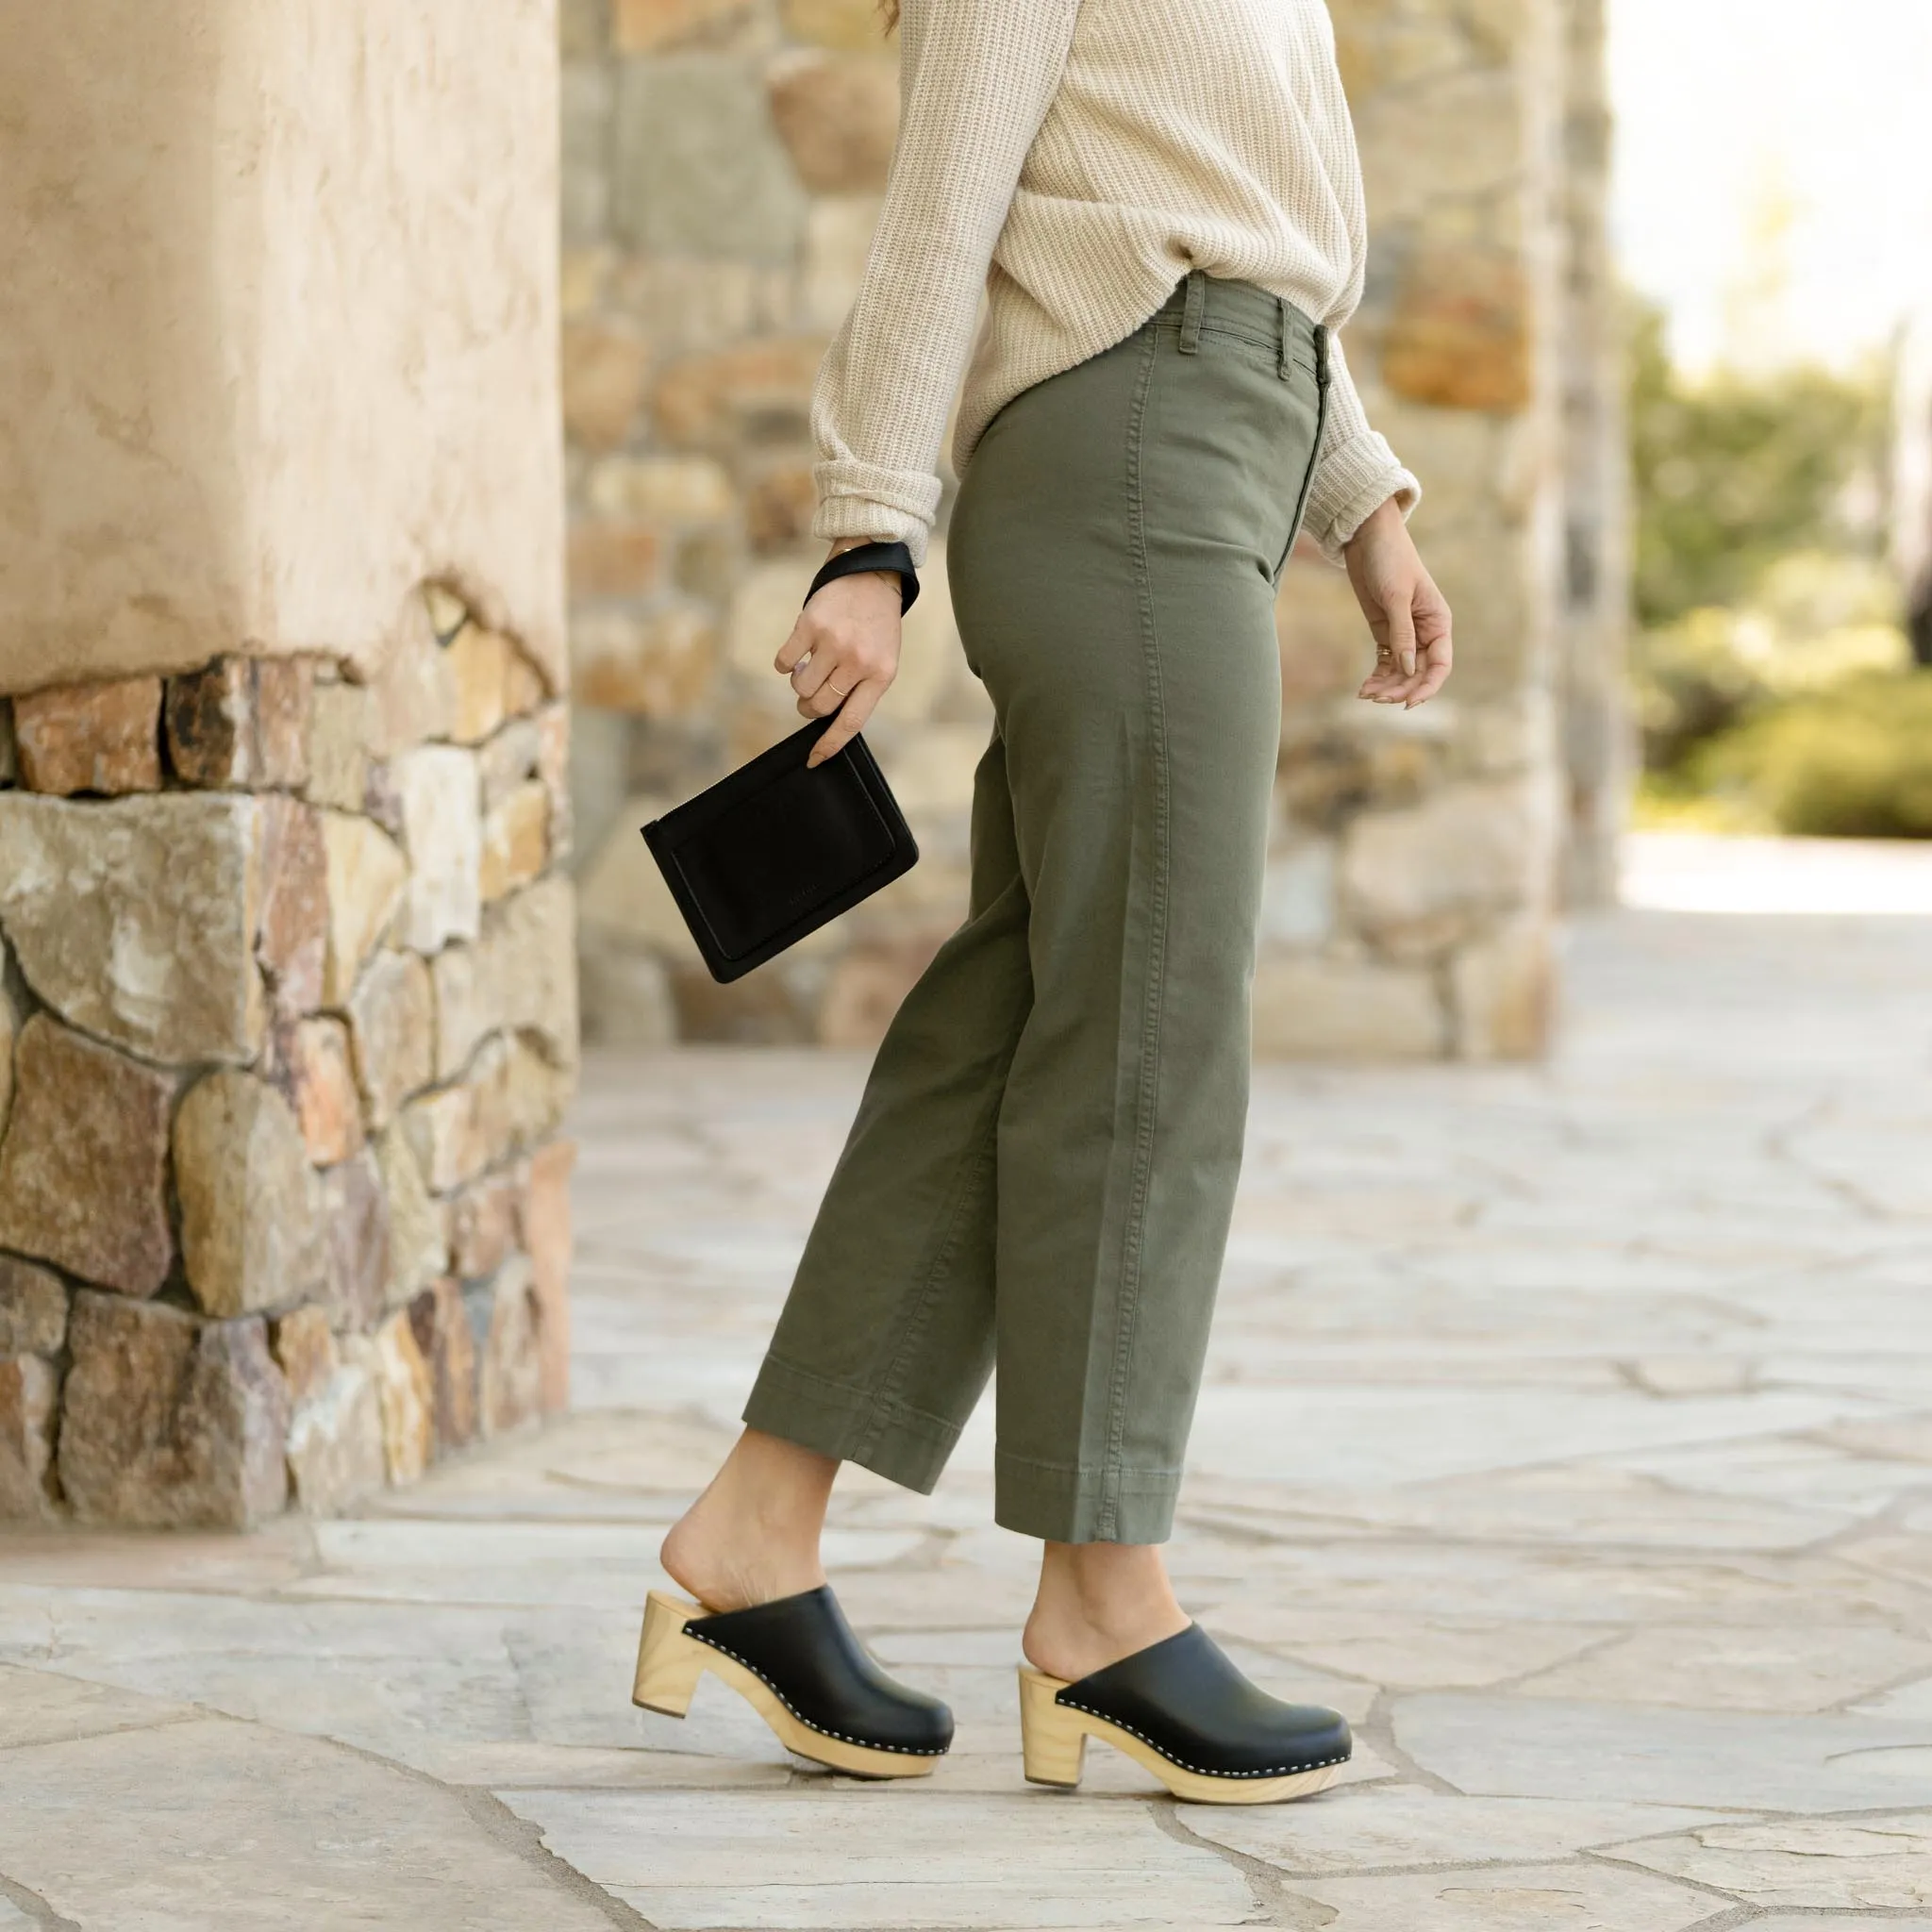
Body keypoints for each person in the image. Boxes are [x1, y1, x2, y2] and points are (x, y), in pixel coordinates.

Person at [632, 0, 1453, 1803]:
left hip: (1226, 449)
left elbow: (1248, 230)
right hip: (1125, 451)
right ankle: (1103, 1604)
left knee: (1023, 1003)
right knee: (1155, 1015)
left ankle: (753, 1536)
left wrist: (1365, 495)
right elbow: (947, 200)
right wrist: (869, 529)